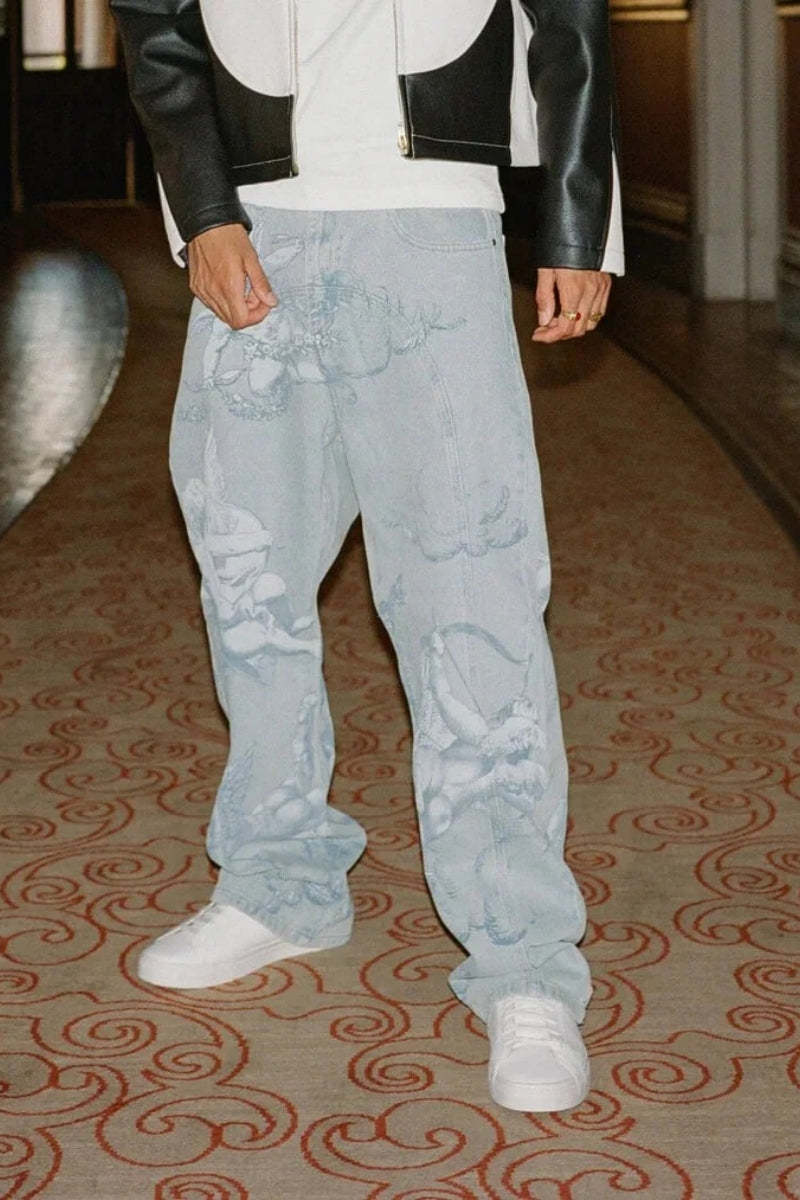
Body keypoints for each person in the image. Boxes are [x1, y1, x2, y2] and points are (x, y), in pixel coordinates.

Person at [110, 0, 625, 1114]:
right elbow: (156, 25)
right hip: (253, 228)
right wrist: (204, 211)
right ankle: (278, 879)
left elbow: (570, 21)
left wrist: (578, 220)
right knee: (247, 583)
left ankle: (523, 960)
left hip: (431, 223)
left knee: (469, 595)